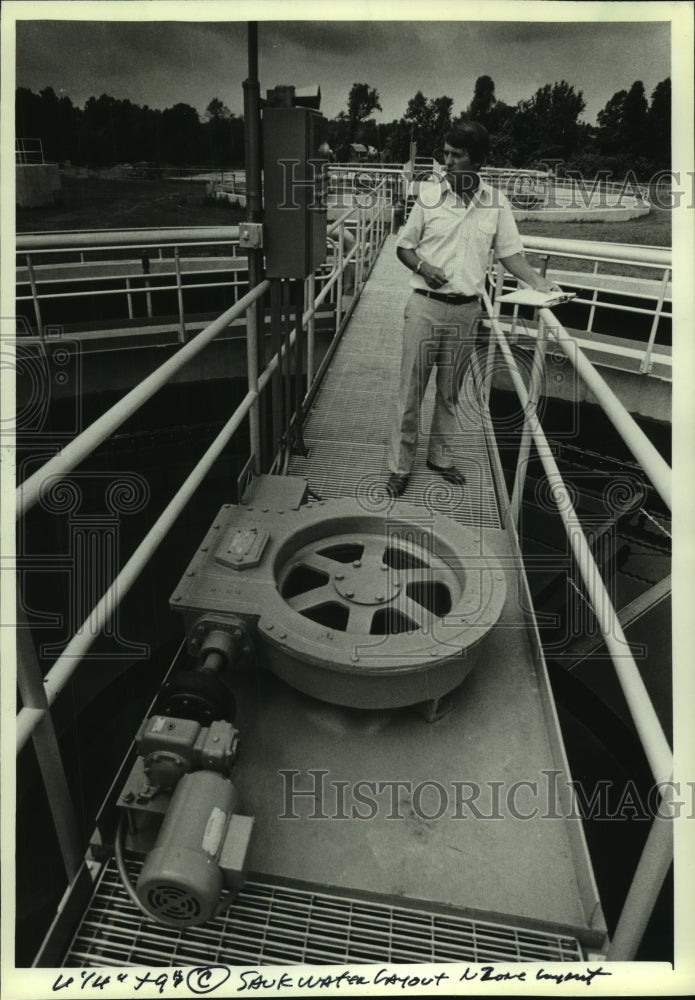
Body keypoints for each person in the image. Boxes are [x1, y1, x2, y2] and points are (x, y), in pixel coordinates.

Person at [387, 122, 561, 497]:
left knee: (450, 391)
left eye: (456, 155)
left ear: (477, 160)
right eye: (445, 153)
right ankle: (400, 466)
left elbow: (510, 253)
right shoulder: (428, 198)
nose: (447, 162)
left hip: (467, 311)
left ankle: (440, 458)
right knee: (411, 392)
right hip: (424, 307)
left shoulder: (496, 205)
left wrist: (536, 281)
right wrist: (423, 267)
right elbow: (403, 246)